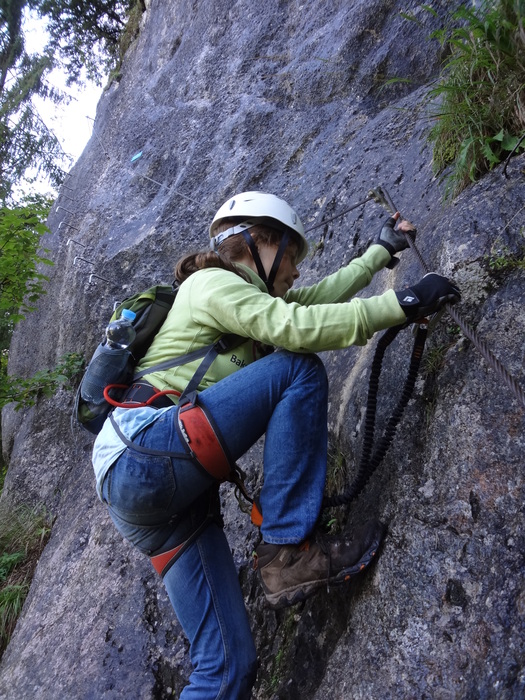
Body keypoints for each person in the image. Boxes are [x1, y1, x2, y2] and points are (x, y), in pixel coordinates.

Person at [92, 191, 460, 698]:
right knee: (297, 369)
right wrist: (403, 303)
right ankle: (285, 555)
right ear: (258, 242)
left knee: (226, 667)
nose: (296, 271)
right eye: (290, 255)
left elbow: (319, 299)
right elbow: (294, 329)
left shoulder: (248, 304)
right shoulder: (210, 283)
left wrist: (382, 252)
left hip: (149, 495)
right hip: (144, 451)